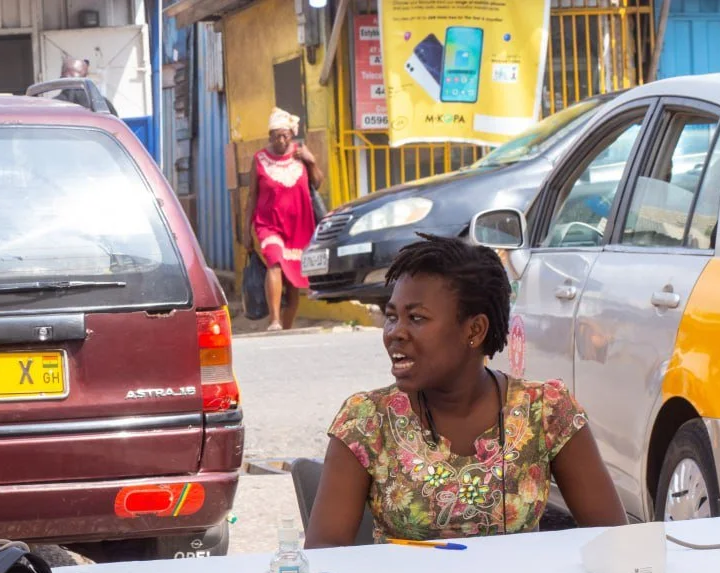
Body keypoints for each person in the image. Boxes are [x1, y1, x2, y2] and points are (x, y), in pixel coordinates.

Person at [304, 234, 627, 548]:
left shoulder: (546, 410)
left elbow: (614, 541)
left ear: (474, 330)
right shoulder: (366, 419)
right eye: (391, 317)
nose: (395, 333)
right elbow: (325, 553)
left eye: (416, 318)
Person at [242, 107, 323, 332]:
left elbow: (317, 183)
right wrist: (245, 230)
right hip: (268, 225)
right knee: (275, 261)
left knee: (293, 278)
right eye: (276, 135)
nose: (281, 139)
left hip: (299, 227)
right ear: (269, 136)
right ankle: (275, 321)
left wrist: (312, 161)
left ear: (291, 134)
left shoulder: (301, 154)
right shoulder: (259, 159)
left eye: (285, 135)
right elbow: (252, 196)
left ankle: (286, 328)